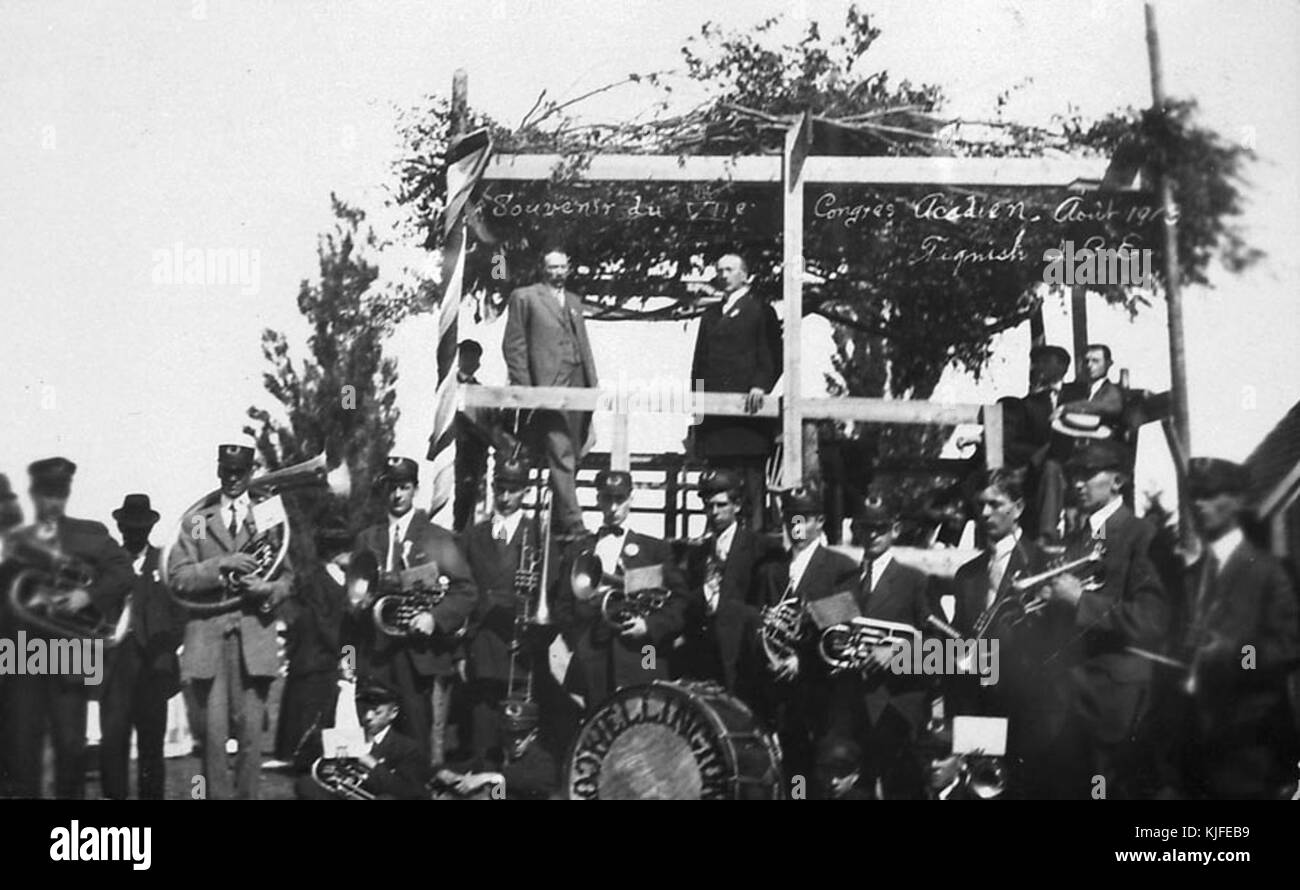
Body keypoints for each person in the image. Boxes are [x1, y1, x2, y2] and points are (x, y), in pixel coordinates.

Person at [168, 443, 295, 799]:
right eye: (227, 471)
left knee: (252, 737)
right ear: (218, 471)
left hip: (254, 639)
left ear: (251, 471)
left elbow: (288, 577)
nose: (234, 479)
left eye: (240, 472)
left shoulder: (270, 513)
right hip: (207, 642)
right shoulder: (197, 521)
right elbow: (179, 577)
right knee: (212, 738)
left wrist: (266, 587)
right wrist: (221, 565)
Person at [2, 458, 132, 799]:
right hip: (22, 654)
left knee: (71, 748)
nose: (53, 502)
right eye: (46, 494)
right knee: (22, 750)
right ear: (33, 494)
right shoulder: (16, 538)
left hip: (69, 652)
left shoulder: (88, 534)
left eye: (60, 494)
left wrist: (85, 595)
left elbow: (123, 572)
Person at [1047, 440, 1168, 798]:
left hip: (1116, 703)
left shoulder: (1142, 535)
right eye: (1074, 475)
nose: (1077, 483)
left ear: (1117, 481)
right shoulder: (1077, 540)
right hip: (1070, 698)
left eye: (1087, 474)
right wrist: (1050, 601)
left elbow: (1152, 619)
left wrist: (1079, 600)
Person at [1179, 458, 1299, 799]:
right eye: (1194, 495)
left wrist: (1237, 655)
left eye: (1210, 494)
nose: (1198, 504)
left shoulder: (1270, 572)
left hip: (1250, 748)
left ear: (1239, 501)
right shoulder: (1193, 573)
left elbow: (1290, 645)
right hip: (1196, 743)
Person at [948, 470, 1070, 798]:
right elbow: (960, 641)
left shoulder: (1045, 564)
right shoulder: (968, 574)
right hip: (978, 704)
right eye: (980, 505)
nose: (985, 513)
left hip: (1028, 711)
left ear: (1017, 507)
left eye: (994, 503)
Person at [350, 456, 476, 767]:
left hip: (418, 656)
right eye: (392, 487)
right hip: (376, 655)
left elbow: (466, 590)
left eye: (404, 487)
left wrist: (434, 617)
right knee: (371, 736)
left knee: (416, 738)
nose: (397, 495)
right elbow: (352, 596)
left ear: (415, 489)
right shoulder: (367, 538)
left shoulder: (437, 537)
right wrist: (358, 606)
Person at [823, 493, 943, 800]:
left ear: (896, 529)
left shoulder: (915, 580)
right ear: (857, 530)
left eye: (881, 527)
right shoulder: (843, 582)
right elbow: (833, 642)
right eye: (866, 527)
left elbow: (944, 646)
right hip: (850, 707)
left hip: (895, 705)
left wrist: (896, 653)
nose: (873, 534)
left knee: (899, 789)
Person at [552, 470, 687, 709]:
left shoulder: (654, 549)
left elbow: (679, 601)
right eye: (607, 499)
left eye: (620, 500)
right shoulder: (579, 551)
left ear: (630, 499)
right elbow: (563, 606)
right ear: (597, 500)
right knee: (596, 719)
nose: (613, 508)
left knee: (647, 708)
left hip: (646, 649)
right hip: (593, 652)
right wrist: (581, 642)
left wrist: (649, 626)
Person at [756, 486, 858, 785]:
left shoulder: (841, 568)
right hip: (778, 691)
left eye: (805, 518)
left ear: (820, 522)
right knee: (789, 774)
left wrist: (801, 659)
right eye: (791, 518)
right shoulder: (770, 570)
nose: (797, 525)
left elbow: (842, 631)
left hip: (820, 691)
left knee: (817, 771)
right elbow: (759, 623)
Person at [502, 249, 599, 536]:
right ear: (542, 269)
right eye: (551, 267)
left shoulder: (573, 302)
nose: (557, 272)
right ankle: (574, 522)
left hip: (578, 385)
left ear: (569, 269)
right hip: (548, 390)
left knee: (577, 451)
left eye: (562, 267)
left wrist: (593, 387)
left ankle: (560, 522)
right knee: (560, 452)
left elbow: (583, 346)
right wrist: (529, 392)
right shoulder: (525, 296)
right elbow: (514, 346)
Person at [99, 494, 185, 800]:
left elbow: (182, 610)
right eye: (128, 527)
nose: (134, 533)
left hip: (154, 671)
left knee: (152, 748)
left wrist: (167, 643)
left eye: (140, 527)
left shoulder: (166, 561)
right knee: (113, 745)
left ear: (150, 529)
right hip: (114, 670)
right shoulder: (107, 564)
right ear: (120, 528)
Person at [690, 253, 782, 531]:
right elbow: (699, 366)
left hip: (748, 421)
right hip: (716, 423)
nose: (724, 275)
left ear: (745, 275)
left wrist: (760, 385)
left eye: (730, 270)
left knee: (751, 491)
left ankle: (752, 546)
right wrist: (698, 417)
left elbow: (772, 356)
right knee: (716, 488)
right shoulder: (710, 315)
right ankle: (716, 547)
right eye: (720, 270)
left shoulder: (761, 311)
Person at [676, 469, 778, 695]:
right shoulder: (697, 554)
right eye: (708, 506)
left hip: (742, 657)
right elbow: (687, 601)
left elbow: (766, 604)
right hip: (703, 656)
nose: (714, 512)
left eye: (721, 505)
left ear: (737, 506)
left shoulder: (759, 547)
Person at [274, 521, 352, 764]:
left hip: (328, 656)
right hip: (315, 657)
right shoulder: (315, 581)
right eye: (346, 550)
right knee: (311, 711)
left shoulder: (345, 580)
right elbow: (323, 623)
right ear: (334, 553)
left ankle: (321, 755)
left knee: (328, 709)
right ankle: (305, 756)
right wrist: (346, 654)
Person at [295, 678, 430, 800]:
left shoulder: (407, 748)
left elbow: (409, 792)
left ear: (393, 713)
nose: (368, 717)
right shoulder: (349, 736)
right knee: (306, 784)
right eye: (364, 710)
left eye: (377, 712)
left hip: (378, 796)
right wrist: (327, 769)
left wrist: (372, 764)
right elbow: (302, 765)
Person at [453, 339, 493, 534]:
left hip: (475, 455)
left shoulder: (480, 390)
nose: (471, 361)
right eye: (466, 356)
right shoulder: (449, 387)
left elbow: (488, 422)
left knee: (474, 502)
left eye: (474, 357)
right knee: (458, 500)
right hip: (455, 452)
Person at [1055, 343, 1125, 440]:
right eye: (1085, 361)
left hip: (1100, 444)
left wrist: (1066, 407)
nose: (1089, 365)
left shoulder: (1112, 391)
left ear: (1108, 363)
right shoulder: (1073, 390)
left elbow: (1103, 406)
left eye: (1095, 361)